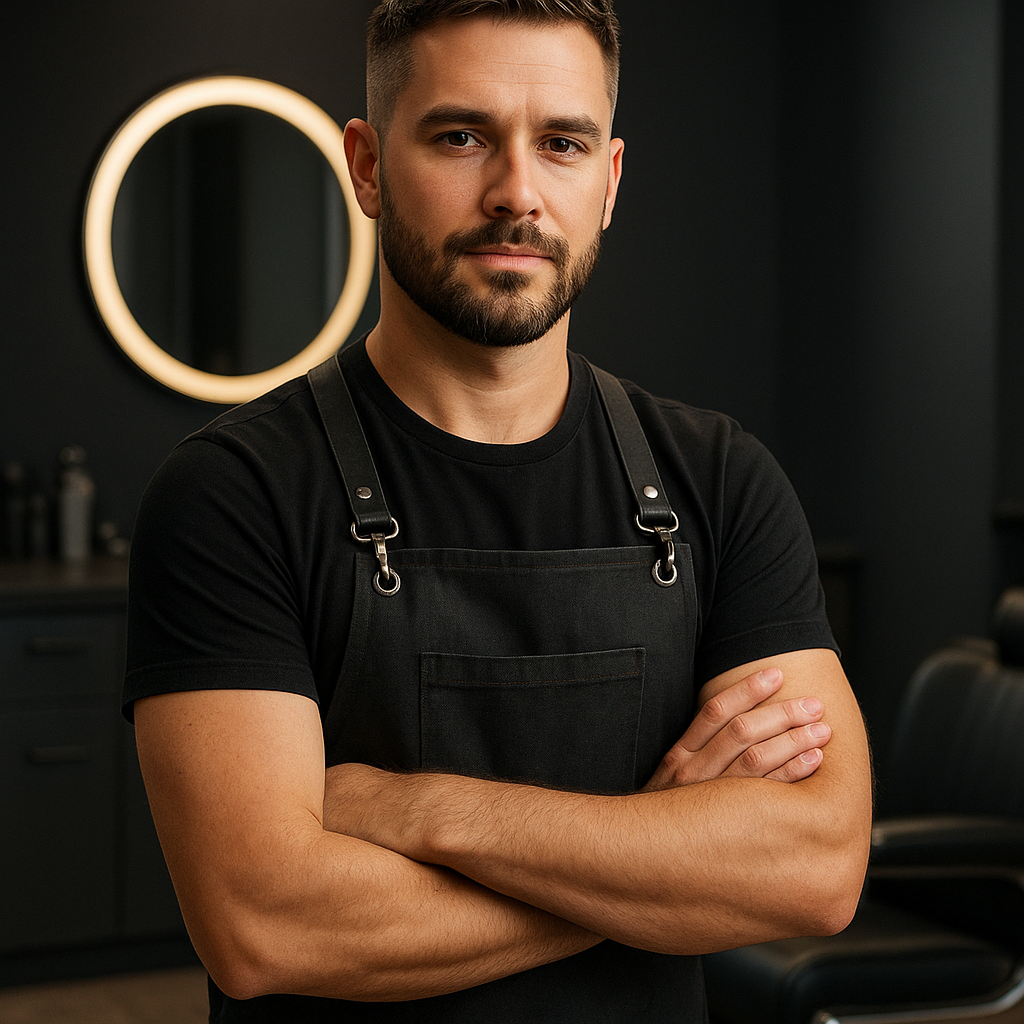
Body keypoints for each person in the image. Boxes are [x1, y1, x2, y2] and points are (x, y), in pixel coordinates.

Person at [123, 2, 873, 1021]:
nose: (517, 192)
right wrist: (662, 851)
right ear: (368, 164)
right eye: (461, 135)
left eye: (560, 143)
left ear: (606, 182)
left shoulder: (720, 478)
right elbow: (267, 925)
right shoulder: (233, 494)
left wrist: (418, 807)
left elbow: (818, 867)